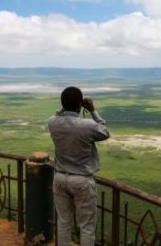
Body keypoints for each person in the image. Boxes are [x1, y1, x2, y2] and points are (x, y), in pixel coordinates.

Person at [48, 87, 109, 246]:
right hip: (82, 180)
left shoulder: (53, 123)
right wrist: (92, 110)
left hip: (60, 177)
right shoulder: (87, 125)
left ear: (62, 104)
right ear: (80, 105)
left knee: (63, 222)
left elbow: (58, 114)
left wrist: (67, 106)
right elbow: (104, 131)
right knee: (87, 226)